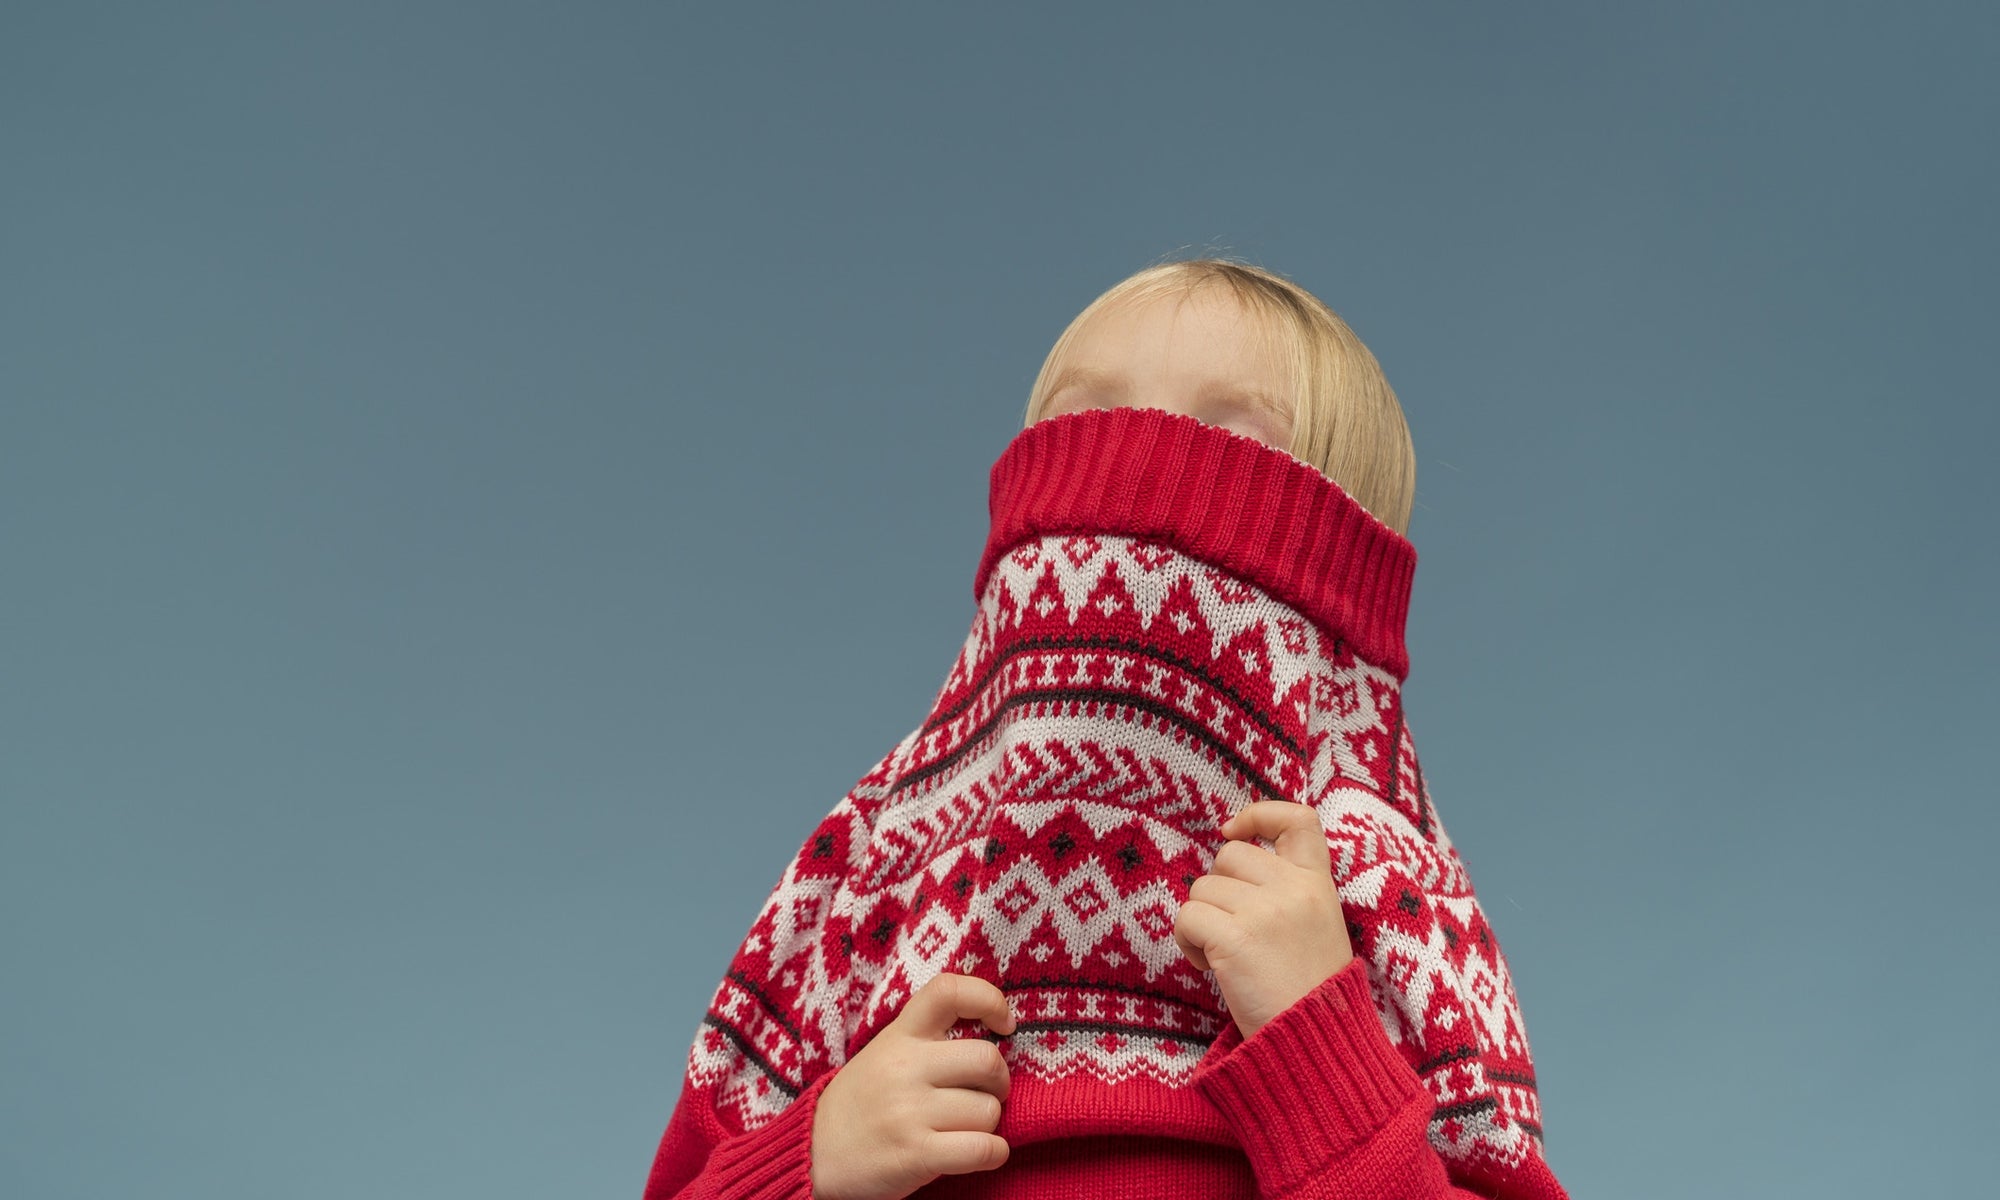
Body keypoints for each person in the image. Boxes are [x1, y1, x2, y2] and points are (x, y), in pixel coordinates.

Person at [640, 258, 1572, 1199]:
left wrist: (1320, 1050)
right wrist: (808, 1163)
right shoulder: (868, 880)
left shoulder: (1387, 913)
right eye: (1082, 433)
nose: (1131, 490)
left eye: (1226, 450)